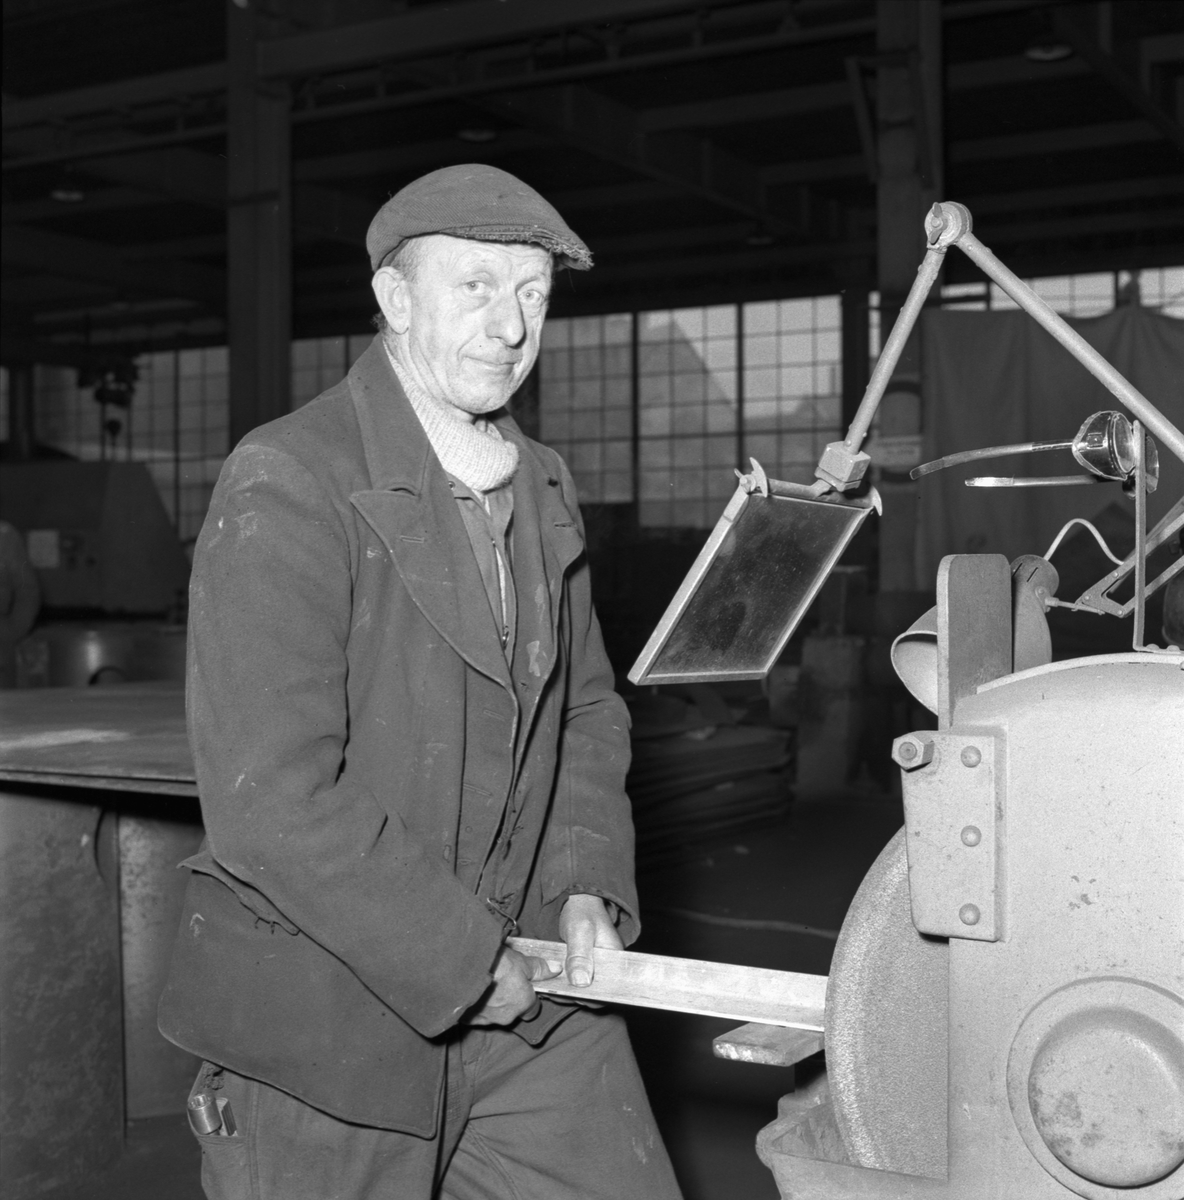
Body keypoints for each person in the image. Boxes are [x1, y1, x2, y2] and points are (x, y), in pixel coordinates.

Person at [158, 164, 682, 1200]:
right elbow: (272, 802)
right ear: (395, 300)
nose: (510, 325)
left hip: (528, 1000)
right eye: (475, 286)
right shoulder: (291, 475)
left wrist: (581, 881)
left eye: (531, 293)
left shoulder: (540, 482)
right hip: (330, 1011)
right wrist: (460, 961)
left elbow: (582, 710)